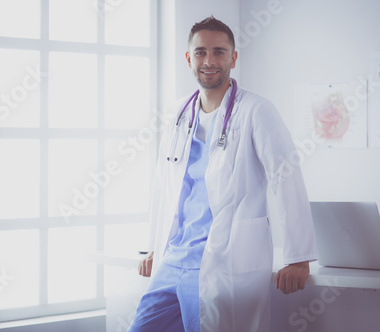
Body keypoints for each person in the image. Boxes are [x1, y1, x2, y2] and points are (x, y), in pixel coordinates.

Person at [127, 16, 317, 332]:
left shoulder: (256, 110)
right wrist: (152, 245)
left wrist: (298, 257)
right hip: (173, 258)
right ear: (189, 58)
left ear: (233, 57)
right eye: (201, 52)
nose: (209, 61)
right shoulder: (178, 113)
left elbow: (286, 179)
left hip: (220, 262)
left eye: (219, 51)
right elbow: (165, 183)